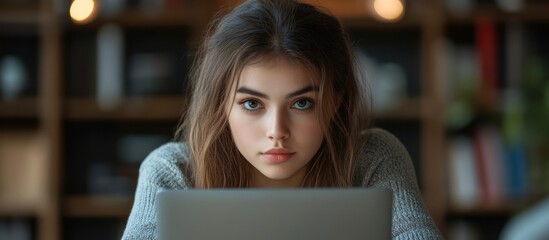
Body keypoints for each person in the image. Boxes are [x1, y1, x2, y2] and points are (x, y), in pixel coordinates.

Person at [122, 0, 442, 239]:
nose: (277, 132)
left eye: (302, 103)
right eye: (251, 103)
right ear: (221, 104)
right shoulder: (172, 172)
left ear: (336, 101)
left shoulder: (373, 157)